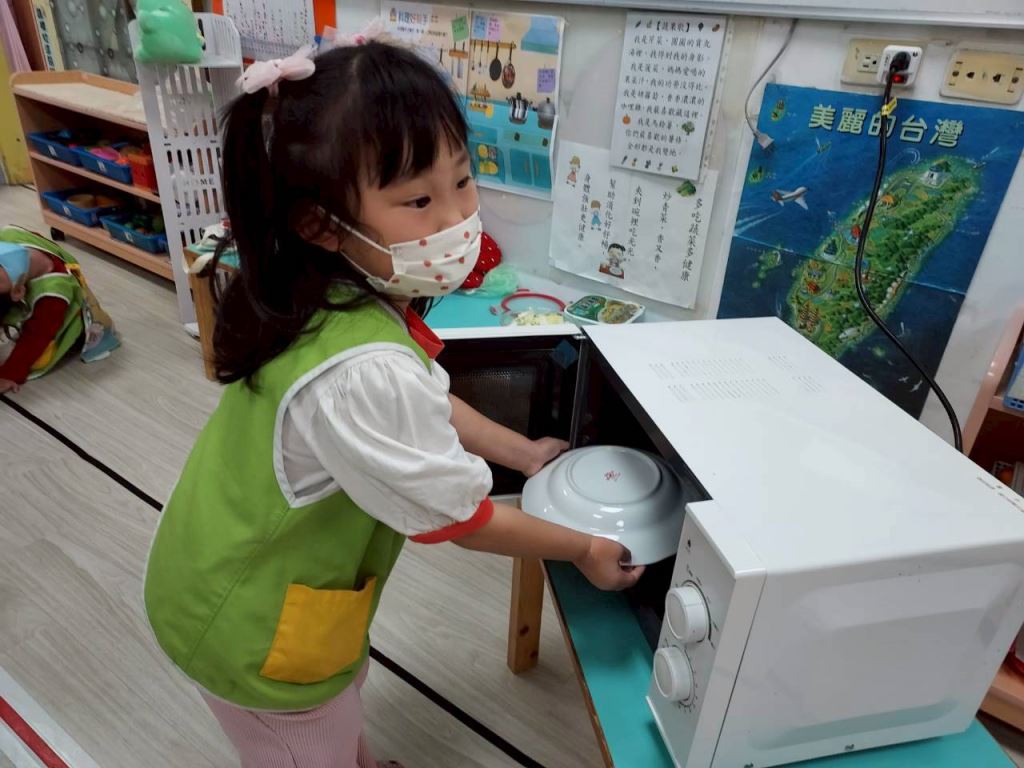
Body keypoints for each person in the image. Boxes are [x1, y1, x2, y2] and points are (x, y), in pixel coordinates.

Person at [143, 38, 643, 768]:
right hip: (247, 621)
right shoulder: (363, 370)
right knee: (304, 743)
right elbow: (463, 521)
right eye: (418, 200)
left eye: (463, 181)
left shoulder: (329, 292)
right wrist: (586, 548)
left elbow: (427, 399)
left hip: (238, 561)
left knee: (335, 706)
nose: (457, 218)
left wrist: (524, 452)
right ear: (320, 222)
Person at [0, 238, 84, 394]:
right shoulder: (8, 236)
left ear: (18, 292)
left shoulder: (52, 297)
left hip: (60, 318)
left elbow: (36, 337)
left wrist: (9, 374)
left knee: (39, 357)